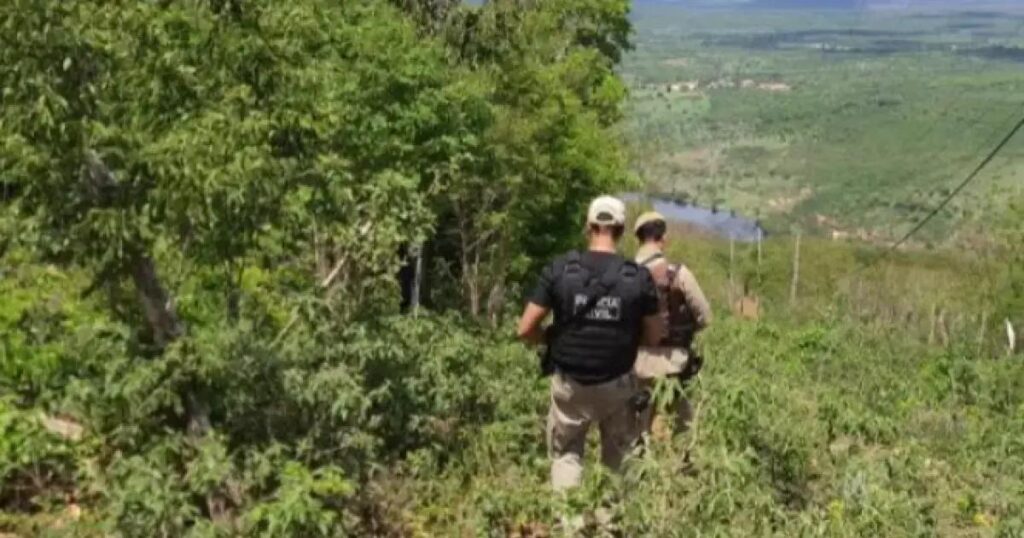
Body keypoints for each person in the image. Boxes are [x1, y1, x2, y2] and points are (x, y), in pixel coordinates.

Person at [516, 196, 664, 490]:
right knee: (618, 461)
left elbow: (524, 329)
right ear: (621, 231)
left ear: (589, 227)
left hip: (570, 386)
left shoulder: (560, 271)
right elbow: (654, 335)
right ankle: (609, 527)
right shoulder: (638, 278)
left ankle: (569, 527)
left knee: (566, 456)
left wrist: (549, 338)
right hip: (618, 385)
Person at [632, 211, 712, 441]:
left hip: (639, 362)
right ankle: (682, 469)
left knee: (639, 427)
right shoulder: (679, 274)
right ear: (663, 239)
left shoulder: (625, 275)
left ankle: (642, 469)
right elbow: (705, 316)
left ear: (638, 238)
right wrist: (683, 332)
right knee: (683, 426)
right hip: (676, 361)